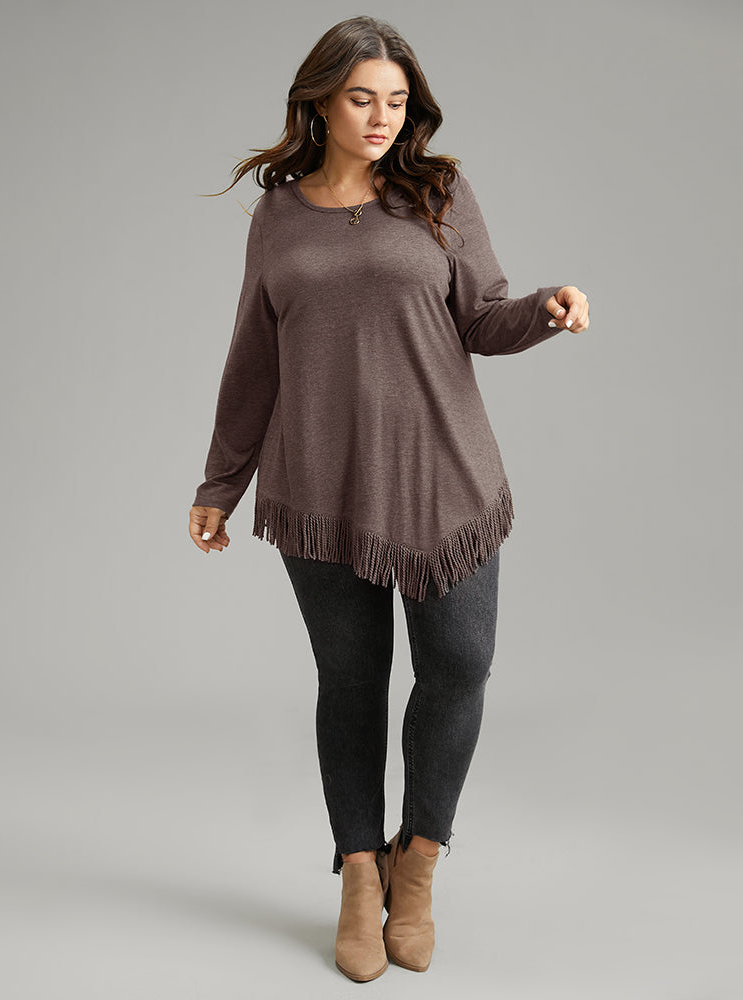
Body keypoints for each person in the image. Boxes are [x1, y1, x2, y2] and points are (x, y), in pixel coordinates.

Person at [188, 14, 590, 983]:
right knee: (351, 680)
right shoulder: (278, 216)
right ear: (320, 103)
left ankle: (420, 861)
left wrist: (545, 308)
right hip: (320, 483)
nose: (381, 117)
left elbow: (483, 317)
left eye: (397, 101)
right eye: (362, 98)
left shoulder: (437, 193)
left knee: (459, 666)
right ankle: (359, 873)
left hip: (443, 476)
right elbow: (254, 356)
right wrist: (220, 482)